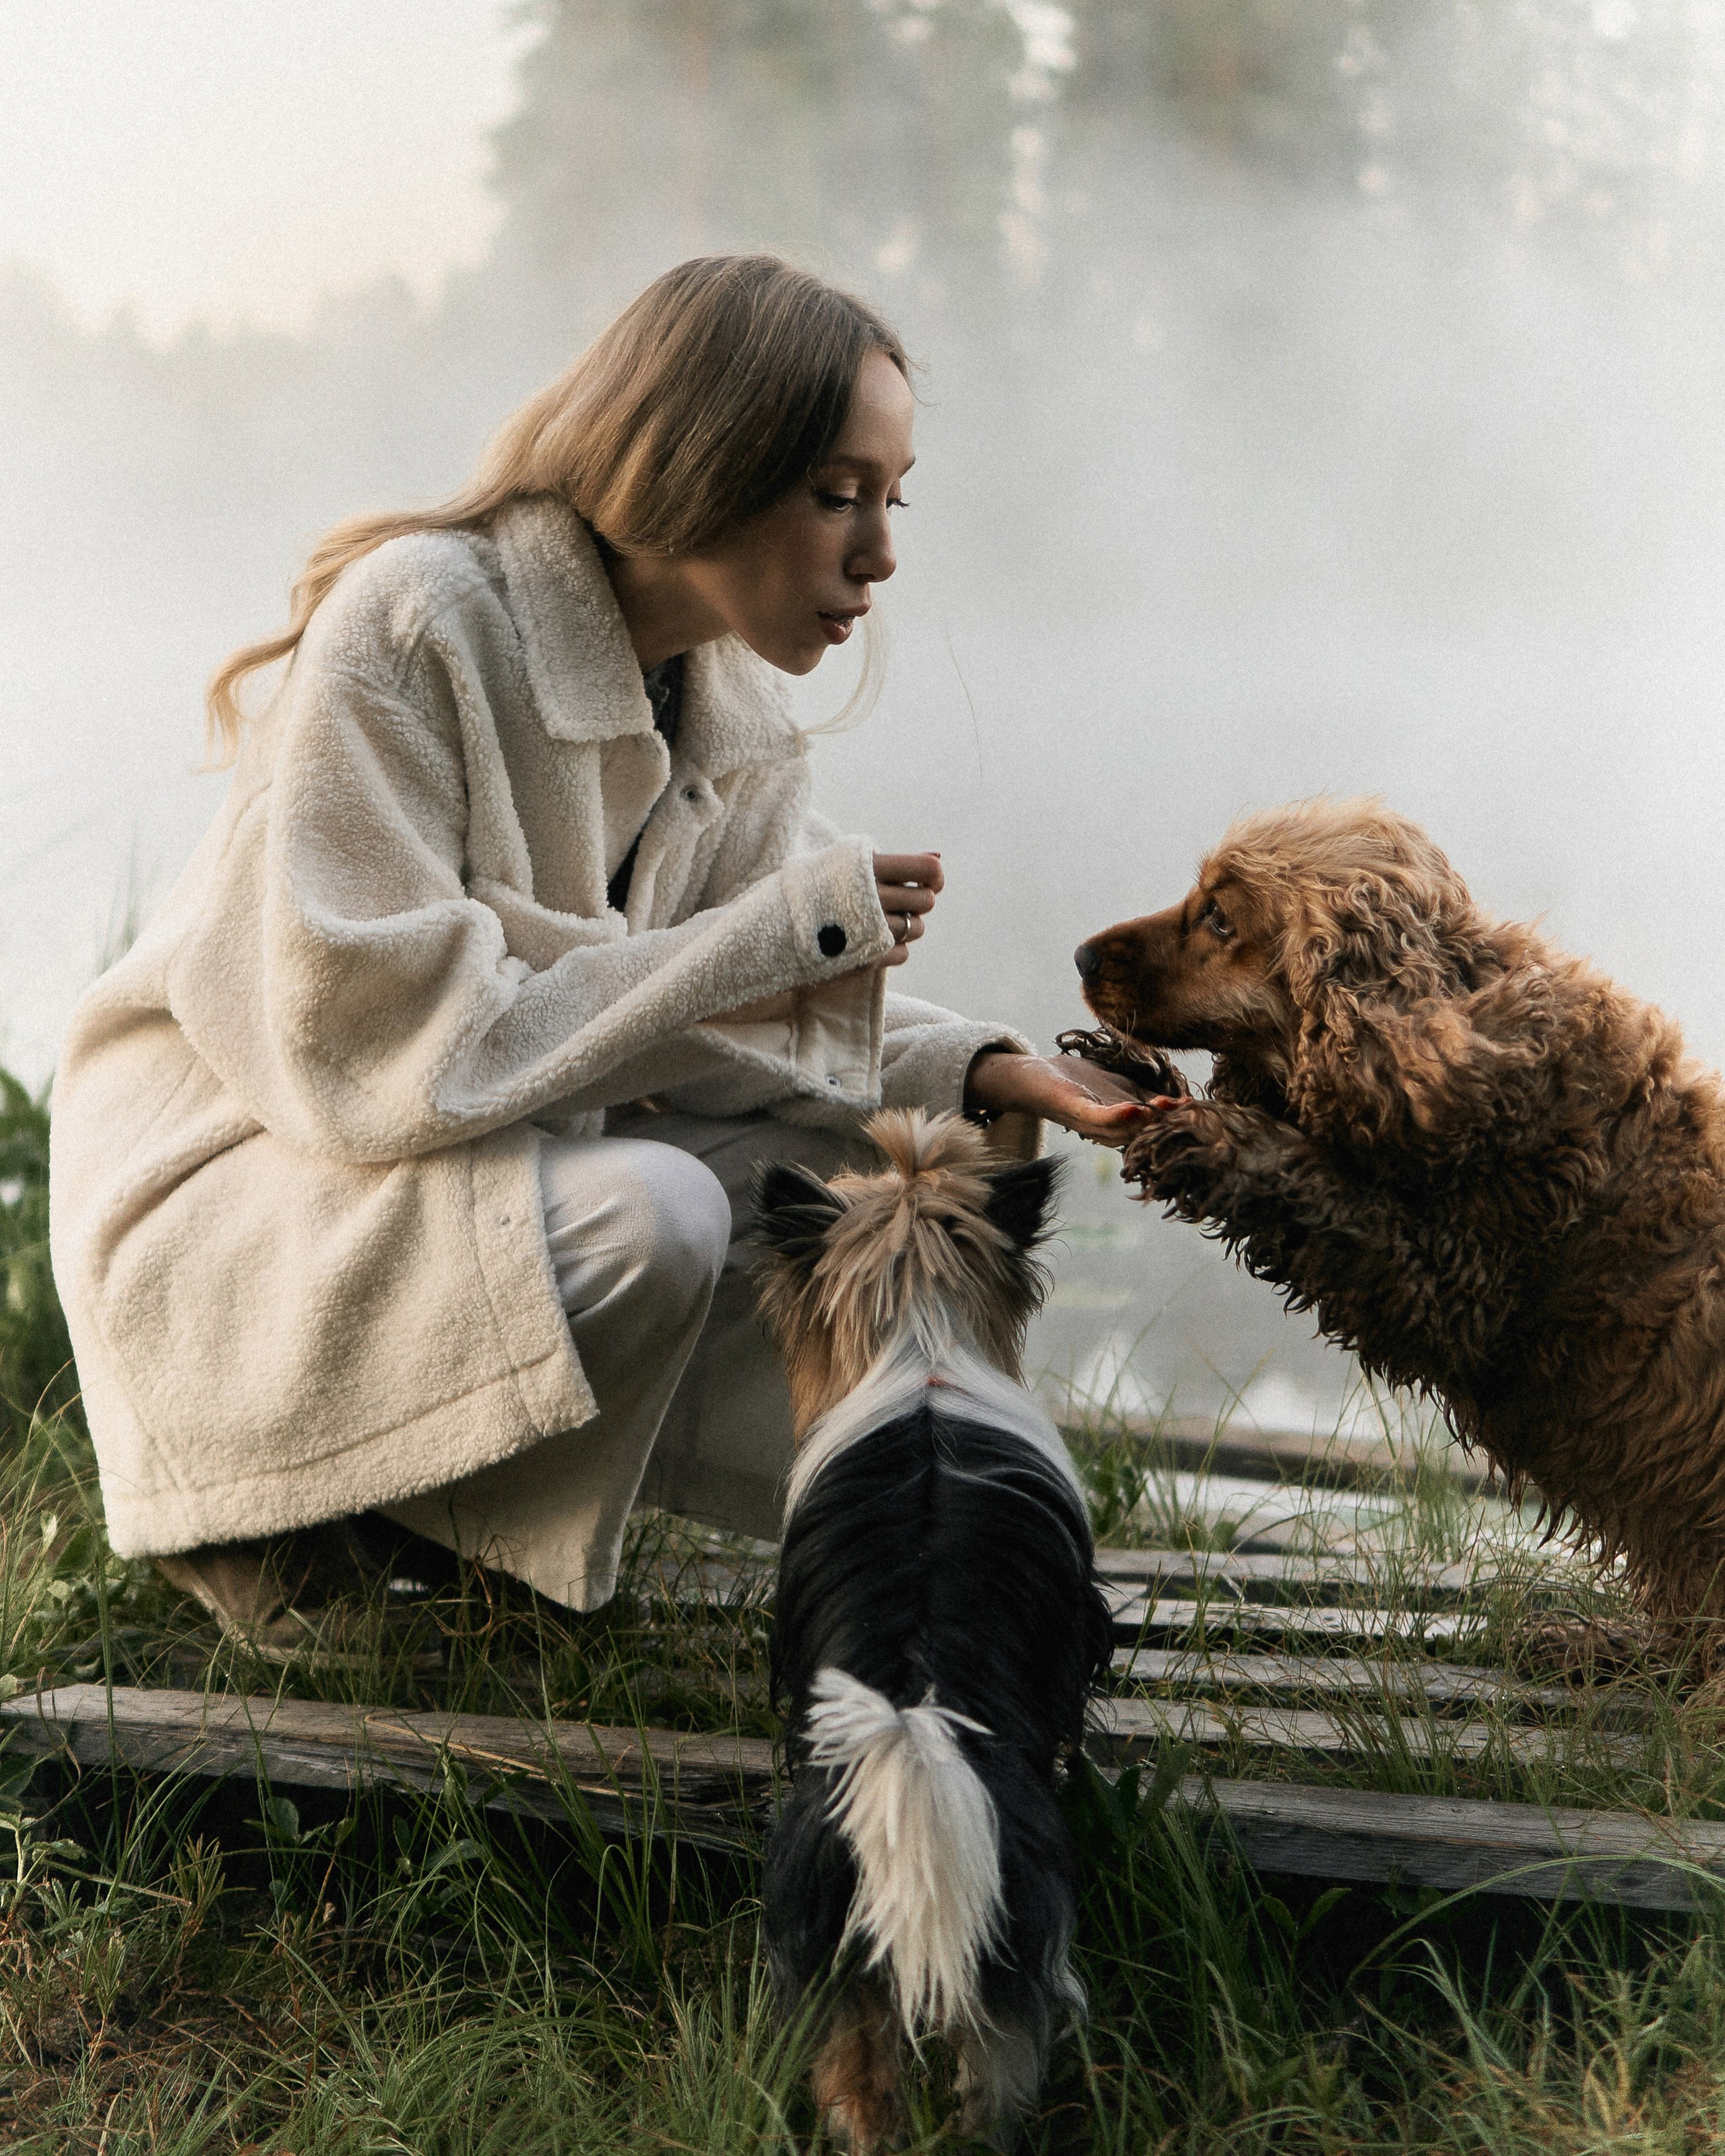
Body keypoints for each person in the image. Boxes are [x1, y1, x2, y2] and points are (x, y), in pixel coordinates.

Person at [49, 255, 1150, 1659]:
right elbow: (376, 1048)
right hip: (247, 1190)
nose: (879, 554)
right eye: (836, 494)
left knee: (868, 1204)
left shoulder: (729, 704)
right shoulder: (418, 622)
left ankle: (504, 1535)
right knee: (663, 1211)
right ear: (704, 464)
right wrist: (768, 937)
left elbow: (734, 1020)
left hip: (459, 1159)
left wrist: (982, 1068)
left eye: (895, 497)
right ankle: (282, 1530)